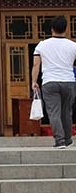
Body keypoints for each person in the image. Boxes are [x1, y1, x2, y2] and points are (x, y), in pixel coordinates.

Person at [31, 15, 76, 148]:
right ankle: (67, 139)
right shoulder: (73, 46)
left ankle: (60, 141)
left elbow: (36, 65)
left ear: (52, 29)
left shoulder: (42, 45)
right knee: (67, 112)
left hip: (49, 82)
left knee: (54, 112)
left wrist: (34, 81)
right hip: (69, 81)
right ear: (66, 29)